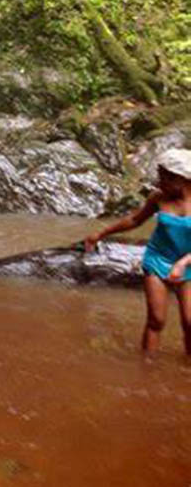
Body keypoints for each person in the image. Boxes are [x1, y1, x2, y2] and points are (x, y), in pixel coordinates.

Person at [84, 148, 191, 356]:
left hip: (188, 264)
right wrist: (101, 233)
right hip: (158, 259)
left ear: (181, 179)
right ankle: (147, 366)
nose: (158, 182)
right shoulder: (158, 198)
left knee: (190, 322)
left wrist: (183, 263)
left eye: (164, 177)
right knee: (156, 320)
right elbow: (135, 220)